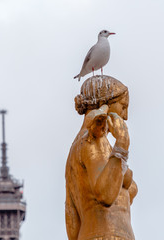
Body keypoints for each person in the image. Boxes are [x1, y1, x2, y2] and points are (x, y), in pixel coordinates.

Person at [65, 76, 138, 240]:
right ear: (106, 104)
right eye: (123, 106)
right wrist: (122, 144)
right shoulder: (92, 140)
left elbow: (71, 216)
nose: (125, 116)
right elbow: (105, 195)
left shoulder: (80, 145)